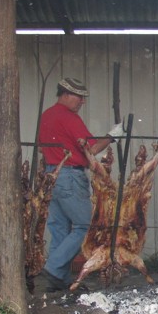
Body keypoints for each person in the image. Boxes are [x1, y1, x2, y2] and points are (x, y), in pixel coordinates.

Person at [37, 78, 124, 292]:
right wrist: (112, 137)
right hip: (69, 175)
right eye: (79, 97)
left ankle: (59, 279)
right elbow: (92, 150)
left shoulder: (46, 115)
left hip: (51, 174)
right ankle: (54, 267)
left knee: (60, 228)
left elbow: (41, 149)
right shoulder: (69, 117)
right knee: (85, 225)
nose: (82, 102)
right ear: (66, 94)